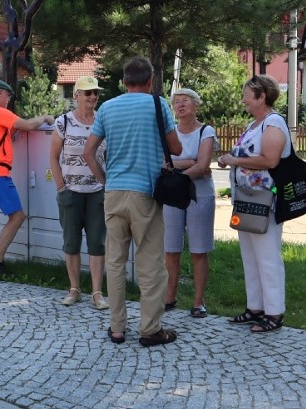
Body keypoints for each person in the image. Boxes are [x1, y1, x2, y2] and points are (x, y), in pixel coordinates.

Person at [83, 56, 182, 347]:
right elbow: (175, 147)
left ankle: (117, 329)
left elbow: (88, 153)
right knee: (151, 263)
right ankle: (150, 329)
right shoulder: (157, 104)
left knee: (114, 263)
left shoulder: (108, 108)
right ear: (150, 80)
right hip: (146, 193)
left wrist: (105, 180)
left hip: (114, 193)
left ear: (124, 81)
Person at [217, 74, 291, 333]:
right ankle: (255, 308)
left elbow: (270, 160)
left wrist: (234, 160)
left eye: (248, 95)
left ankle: (274, 312)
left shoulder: (273, 123)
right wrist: (231, 159)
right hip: (246, 199)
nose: (244, 100)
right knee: (250, 255)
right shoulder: (253, 125)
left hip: (265, 200)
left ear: (262, 97)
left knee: (267, 255)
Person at [0, 80, 54, 278]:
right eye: (9, 96)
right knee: (18, 216)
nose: (9, 101)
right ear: (1, 93)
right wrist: (45, 117)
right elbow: (28, 125)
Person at [49, 76, 109, 310]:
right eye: (87, 93)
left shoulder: (102, 122)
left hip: (96, 193)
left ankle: (96, 292)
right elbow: (53, 157)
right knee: (71, 242)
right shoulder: (64, 121)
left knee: (97, 243)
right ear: (76, 96)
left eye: (95, 93)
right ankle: (74, 289)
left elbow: (107, 156)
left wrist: (106, 186)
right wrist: (61, 187)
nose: (93, 97)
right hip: (71, 192)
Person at [162, 88, 219, 318]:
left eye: (185, 101)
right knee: (171, 250)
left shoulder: (206, 131)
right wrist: (189, 163)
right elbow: (161, 162)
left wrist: (176, 171)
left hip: (200, 196)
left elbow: (204, 166)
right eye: (176, 102)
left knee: (199, 250)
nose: (180, 105)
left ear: (196, 106)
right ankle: (169, 297)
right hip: (173, 197)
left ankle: (198, 302)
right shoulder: (169, 133)